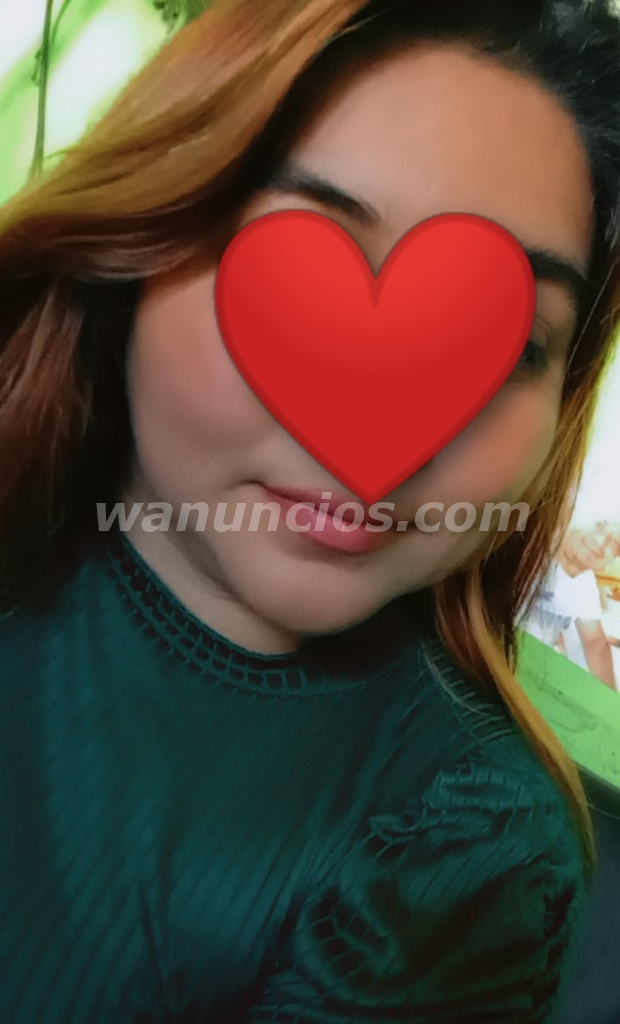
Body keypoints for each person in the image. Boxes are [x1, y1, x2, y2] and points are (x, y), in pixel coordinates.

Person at [1, 0, 620, 1020]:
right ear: (141, 238)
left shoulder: (455, 854)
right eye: (304, 259)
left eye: (510, 343)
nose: (384, 422)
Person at [525, 523, 620, 689]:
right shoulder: (529, 544)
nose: (602, 544)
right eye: (601, 525)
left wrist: (609, 700)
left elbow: (594, 642)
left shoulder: (584, 583)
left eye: (615, 544)